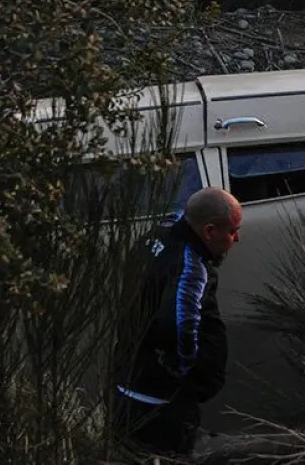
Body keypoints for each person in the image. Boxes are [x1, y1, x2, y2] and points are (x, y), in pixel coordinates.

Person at [110, 187, 242, 456]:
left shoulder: (158, 235)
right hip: (160, 404)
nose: (236, 238)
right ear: (208, 231)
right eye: (231, 231)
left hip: (129, 384)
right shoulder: (190, 267)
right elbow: (179, 324)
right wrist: (183, 369)